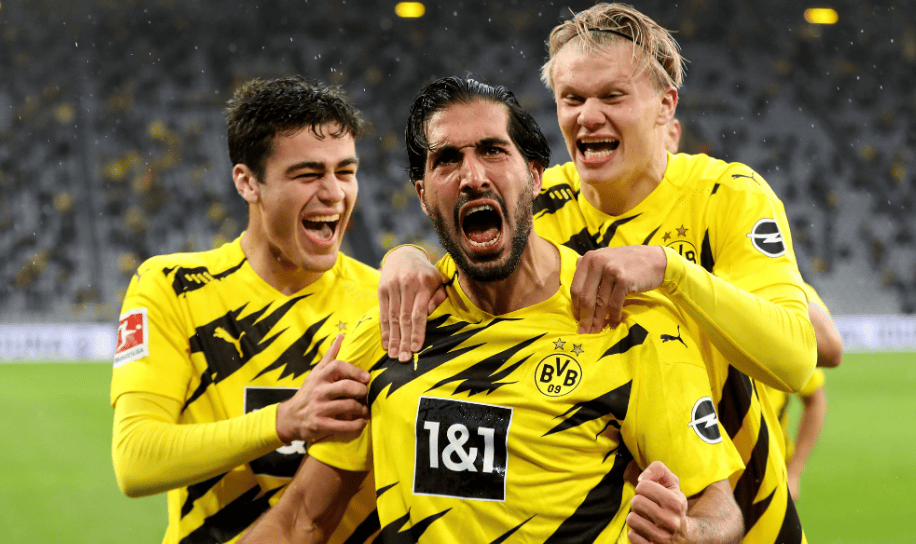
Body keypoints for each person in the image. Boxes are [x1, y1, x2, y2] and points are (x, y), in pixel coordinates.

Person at [376, 4, 820, 543]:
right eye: (572, 98)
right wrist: (406, 255)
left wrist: (670, 269)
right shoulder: (537, 203)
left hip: (741, 513)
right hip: (619, 519)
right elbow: (463, 261)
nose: (588, 116)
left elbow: (796, 361)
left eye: (612, 96)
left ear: (665, 105)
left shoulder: (724, 196)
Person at [239, 76, 744, 544]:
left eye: (492, 150)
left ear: (535, 175)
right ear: (423, 196)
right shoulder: (391, 335)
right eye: (446, 160)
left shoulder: (630, 325)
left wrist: (688, 532)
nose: (472, 176)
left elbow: (719, 509)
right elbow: (301, 520)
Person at [110, 76, 381, 544]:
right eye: (308, 174)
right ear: (248, 182)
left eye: (345, 171)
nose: (335, 192)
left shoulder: (383, 302)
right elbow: (135, 460)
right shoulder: (173, 288)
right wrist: (284, 420)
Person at [761, 283, 841, 501]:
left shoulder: (781, 295)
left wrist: (794, 472)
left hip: (769, 470)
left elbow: (815, 399)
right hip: (708, 469)